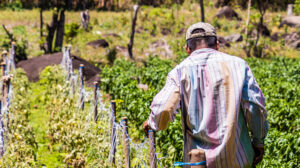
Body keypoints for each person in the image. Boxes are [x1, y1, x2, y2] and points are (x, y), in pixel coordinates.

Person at [143, 22, 269, 168]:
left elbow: (163, 109)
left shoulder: (179, 72)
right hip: (238, 159)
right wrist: (258, 141)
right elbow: (255, 106)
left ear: (187, 49)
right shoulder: (239, 66)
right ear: (217, 44)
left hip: (200, 162)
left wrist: (152, 123)